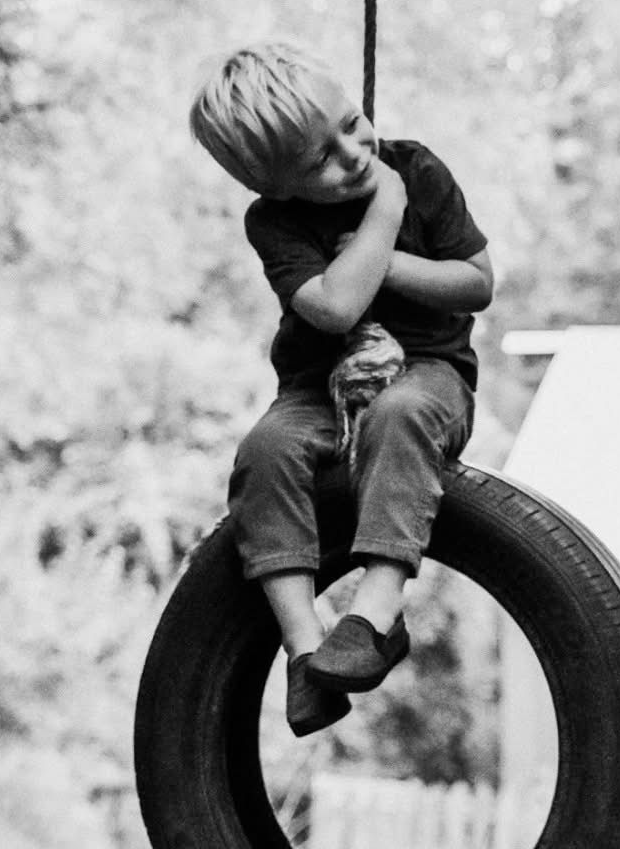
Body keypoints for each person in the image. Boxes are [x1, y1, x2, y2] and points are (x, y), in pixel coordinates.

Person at [188, 41, 494, 737]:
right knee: (265, 451)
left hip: (426, 372)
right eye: (318, 160)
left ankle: (373, 616)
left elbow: (475, 283)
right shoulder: (274, 222)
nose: (354, 154)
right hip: (316, 390)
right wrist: (382, 218)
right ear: (276, 187)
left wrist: (379, 252)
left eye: (351, 124)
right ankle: (305, 654)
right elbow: (330, 309)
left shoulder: (412, 168)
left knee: (402, 412)